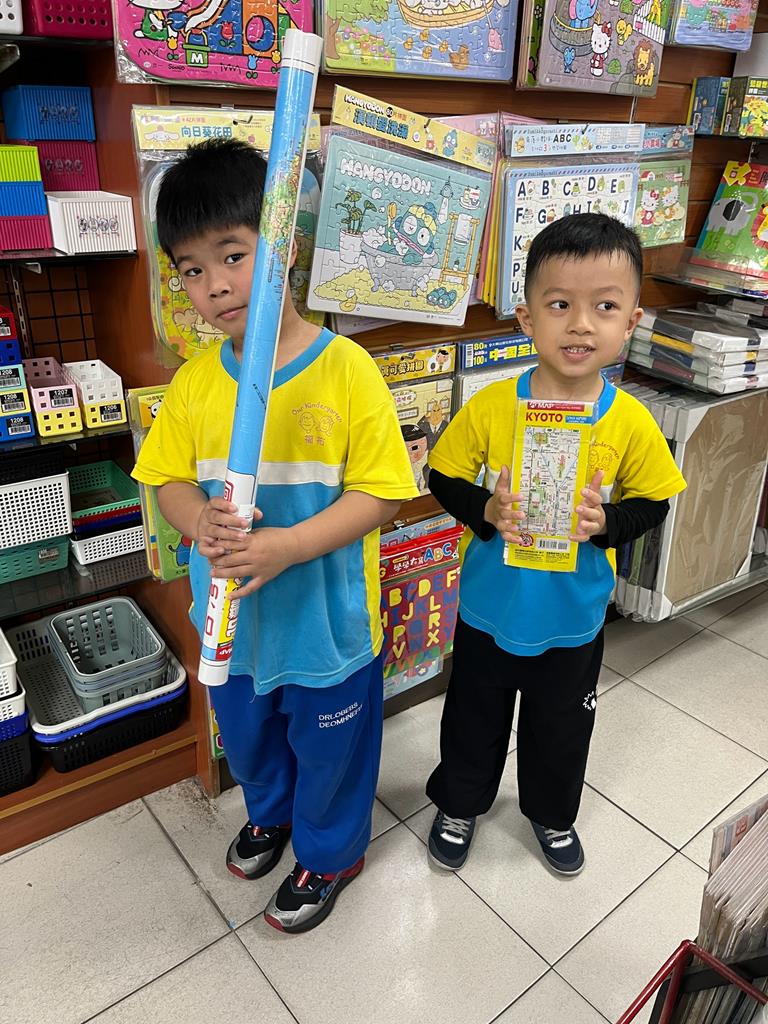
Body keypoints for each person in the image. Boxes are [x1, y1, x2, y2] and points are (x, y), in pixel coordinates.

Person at [132, 139, 418, 933]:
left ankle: (330, 852)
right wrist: (196, 517)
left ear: (284, 246)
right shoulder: (195, 381)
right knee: (251, 742)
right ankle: (271, 816)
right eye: (192, 269)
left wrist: (289, 546)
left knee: (332, 754)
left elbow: (383, 495)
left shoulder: (347, 370)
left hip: (326, 631)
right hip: (232, 629)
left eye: (234, 254)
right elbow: (166, 479)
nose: (216, 285)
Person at [424, 214, 686, 875]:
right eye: (560, 305)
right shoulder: (492, 406)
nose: (581, 325)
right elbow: (443, 476)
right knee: (472, 718)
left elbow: (655, 500)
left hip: (574, 617)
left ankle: (551, 812)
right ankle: (459, 803)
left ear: (631, 323)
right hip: (489, 608)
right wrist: (486, 510)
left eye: (605, 307)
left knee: (562, 728)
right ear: (527, 319)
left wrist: (607, 524)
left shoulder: (629, 420)